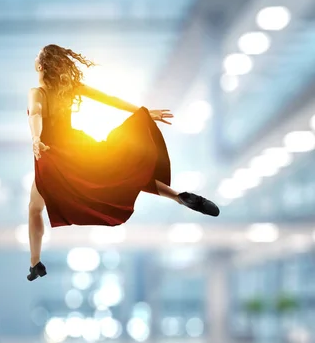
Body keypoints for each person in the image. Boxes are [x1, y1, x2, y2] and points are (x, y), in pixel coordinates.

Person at [26, 44, 219, 281]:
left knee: (35, 208)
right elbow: (110, 99)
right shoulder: (71, 88)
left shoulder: (38, 92)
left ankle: (35, 263)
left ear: (42, 66)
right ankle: (178, 196)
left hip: (54, 154)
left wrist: (36, 137)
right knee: (125, 174)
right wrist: (144, 112)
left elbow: (35, 113)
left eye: (37, 57)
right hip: (80, 146)